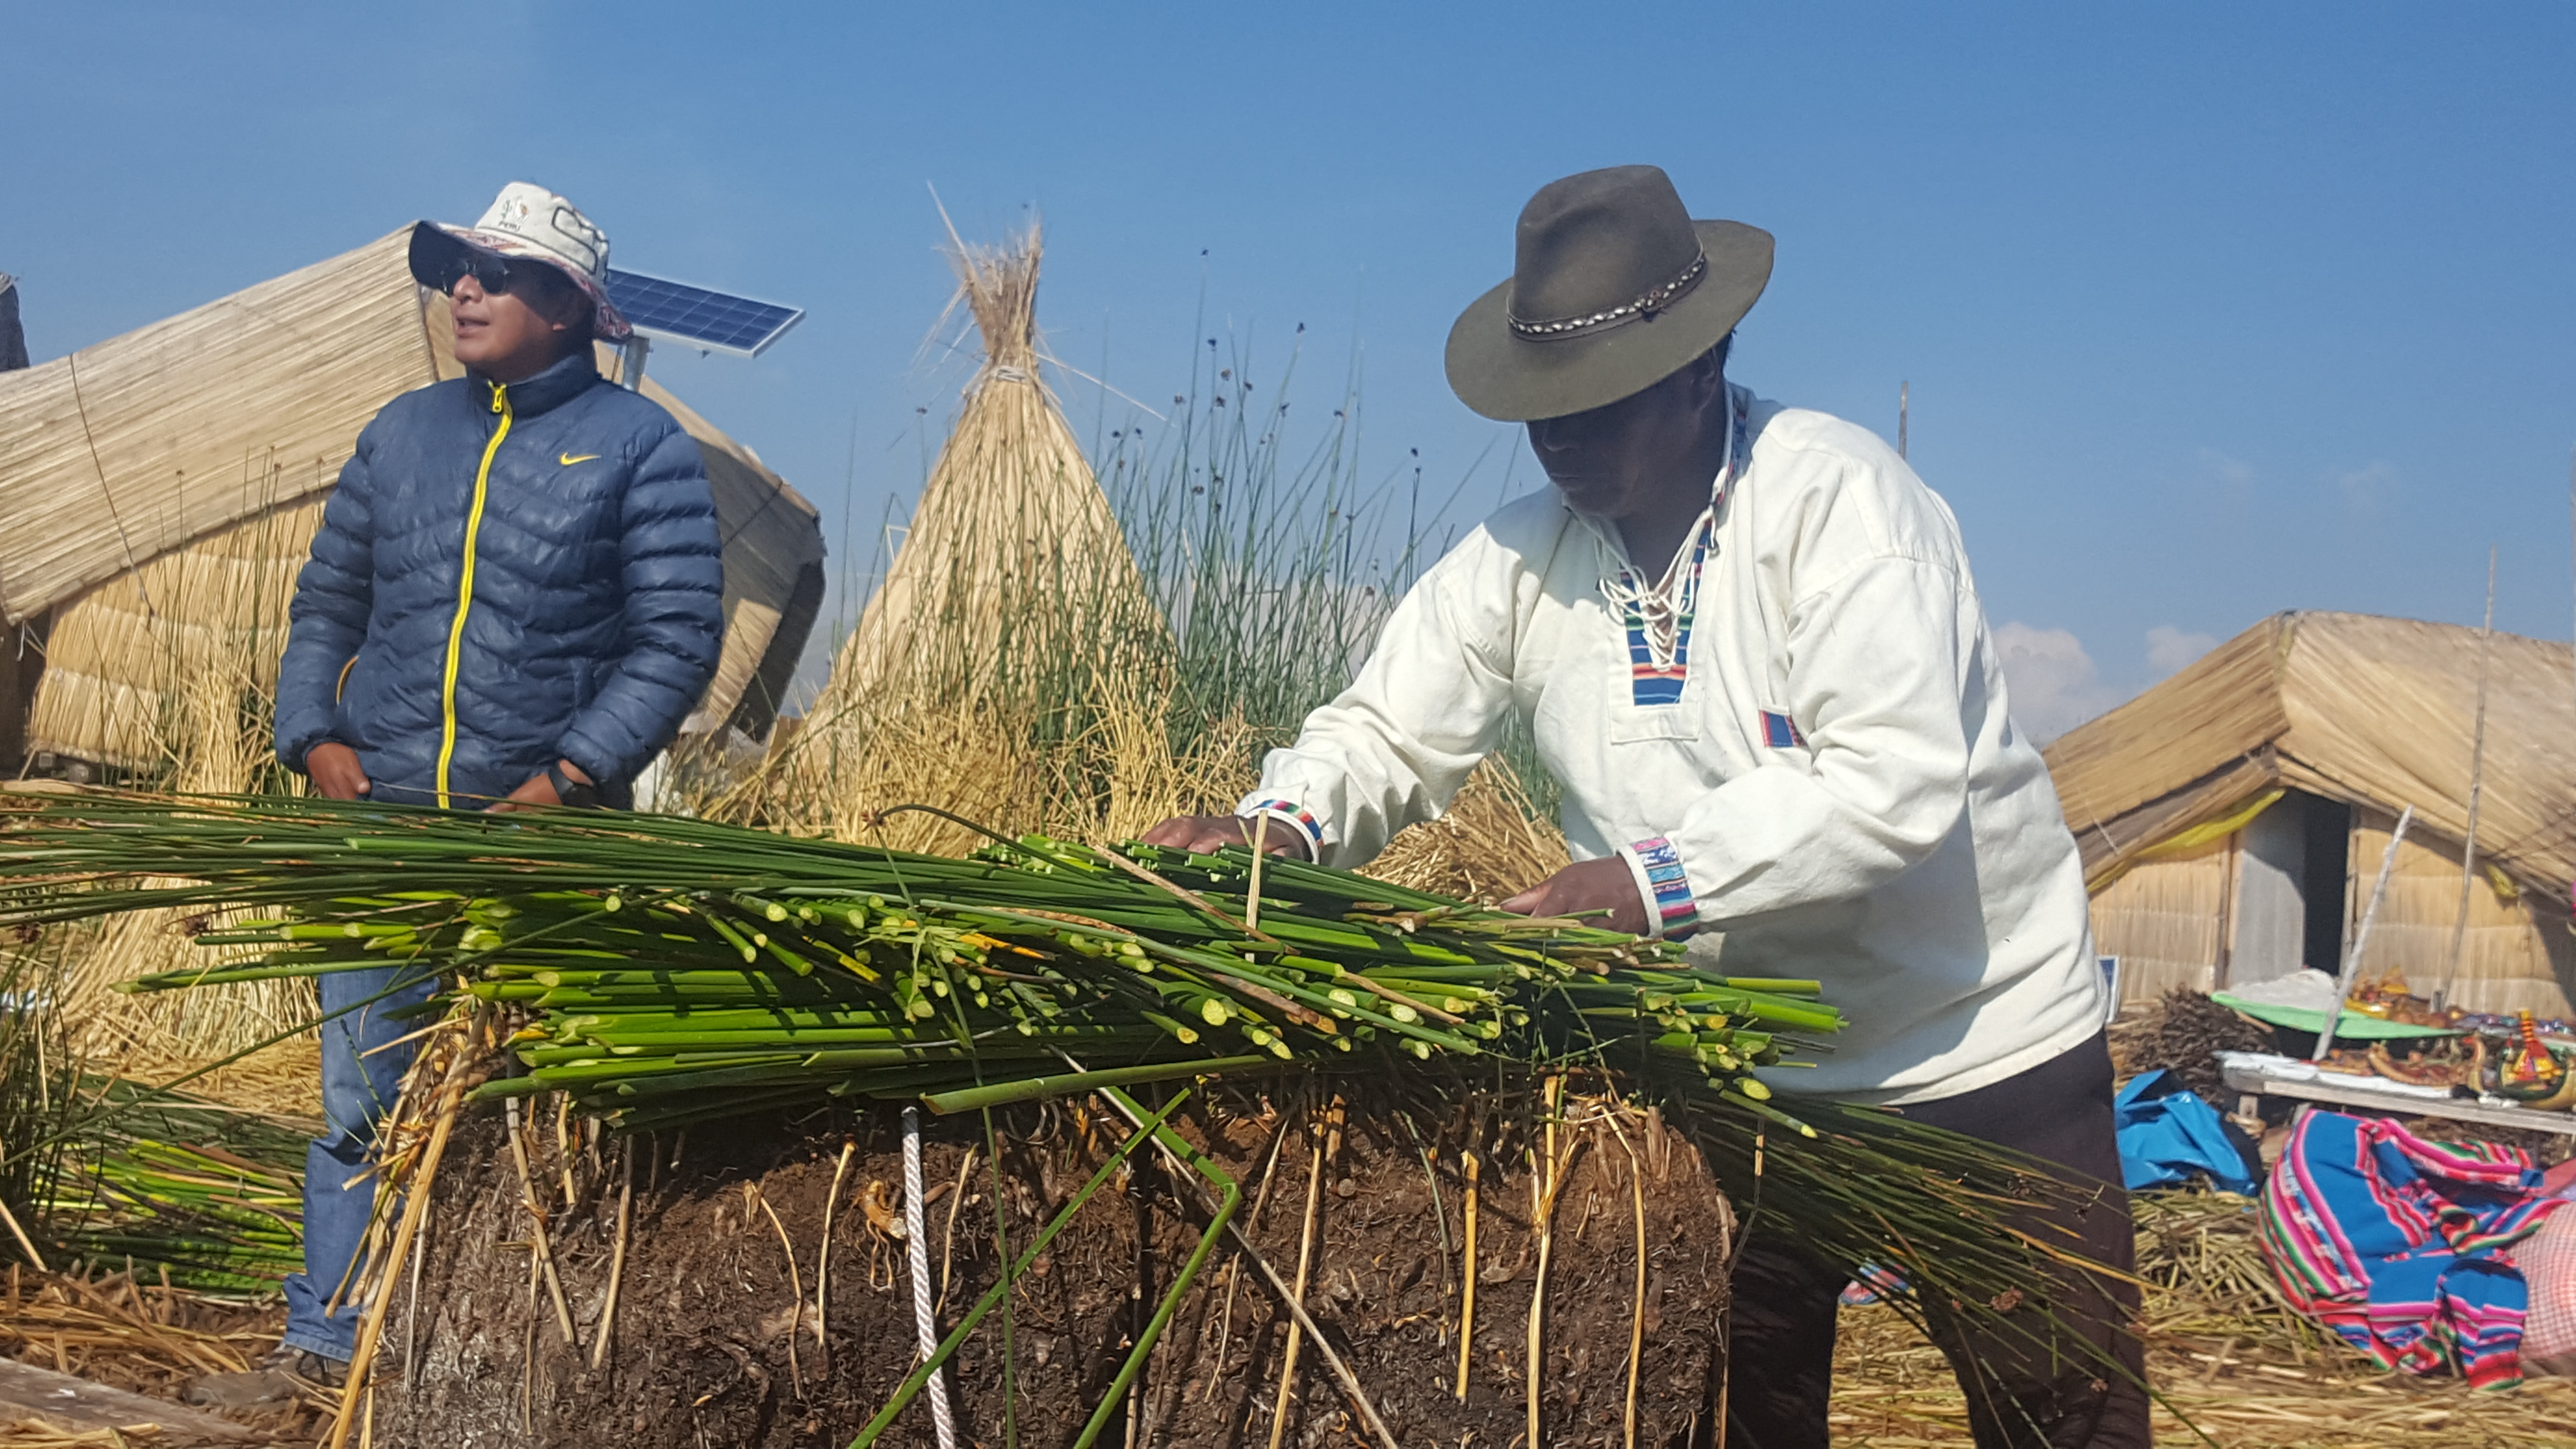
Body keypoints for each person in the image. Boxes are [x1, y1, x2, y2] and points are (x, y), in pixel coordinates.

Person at [1144, 165, 2145, 1448]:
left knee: (2069, 1412)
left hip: (1975, 1046)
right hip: (1741, 1074)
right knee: (1734, 1410)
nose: (1561, 441)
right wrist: (1281, 826)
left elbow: (1889, 784)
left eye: (1595, 408)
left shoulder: (1841, 509)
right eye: (1540, 414)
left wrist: (1639, 886)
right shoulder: (1524, 555)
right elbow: (1389, 722)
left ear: (1701, 367)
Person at [197, 182, 725, 1401]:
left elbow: (675, 640)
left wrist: (569, 777)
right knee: (360, 1095)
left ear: (568, 308)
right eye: (456, 272)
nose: (464, 293)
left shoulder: (640, 447)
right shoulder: (402, 431)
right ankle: (331, 1351)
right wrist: (312, 734)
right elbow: (329, 601)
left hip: (536, 842)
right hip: (381, 825)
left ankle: (498, 1370)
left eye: (494, 275)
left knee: (531, 1106)